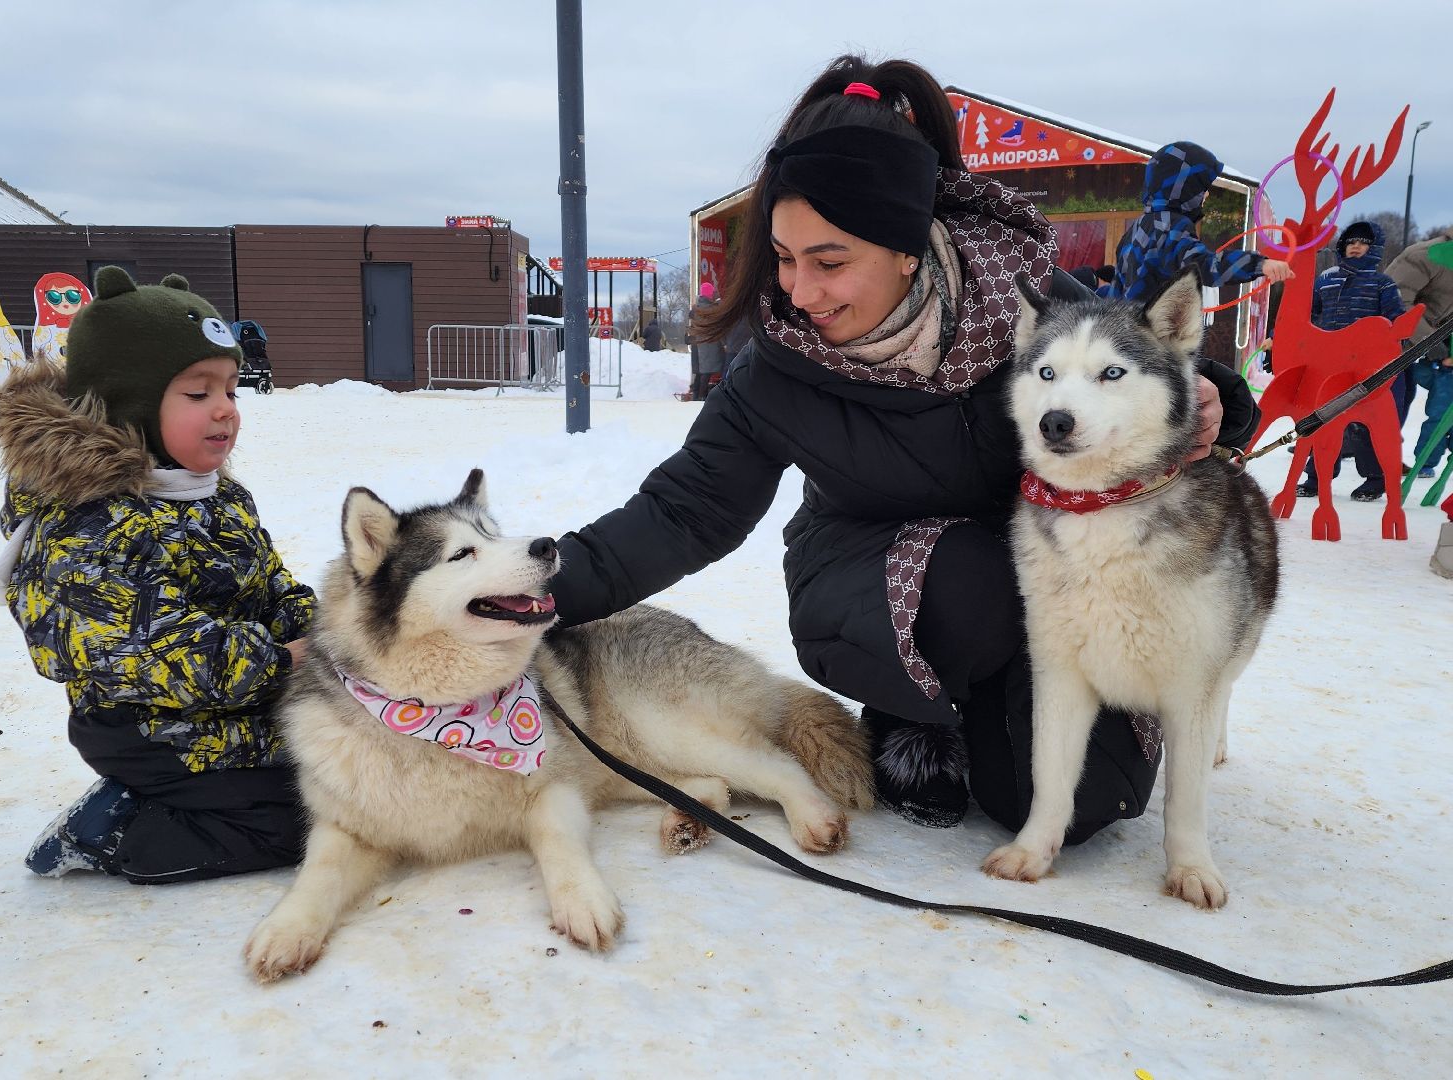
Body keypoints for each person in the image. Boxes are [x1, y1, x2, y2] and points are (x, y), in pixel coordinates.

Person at [548, 55, 1258, 839]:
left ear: (909, 247)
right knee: (967, 576)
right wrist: (526, 597)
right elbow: (683, 512)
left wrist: (1218, 398)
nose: (800, 293)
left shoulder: (1023, 301)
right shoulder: (776, 371)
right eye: (784, 259)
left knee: (1083, 804)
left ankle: (1000, 713)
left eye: (829, 261)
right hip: (872, 575)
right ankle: (908, 710)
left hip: (1047, 586)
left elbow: (1132, 356)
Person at [0, 266, 315, 883]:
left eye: (232, 391)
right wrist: (283, 662)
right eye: (198, 394)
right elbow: (156, 646)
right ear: (131, 400)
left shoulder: (214, 496)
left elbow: (271, 582)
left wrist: (325, 632)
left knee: (358, 775)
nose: (226, 412)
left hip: (239, 702)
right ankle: (118, 828)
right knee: (308, 819)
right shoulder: (91, 522)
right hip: (147, 728)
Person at [1294, 221, 1408, 501]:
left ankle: (1375, 477)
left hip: (1366, 366)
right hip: (1327, 363)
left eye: (1363, 242)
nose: (1355, 247)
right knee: (1321, 419)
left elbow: (1397, 324)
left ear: (1374, 248)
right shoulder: (1326, 279)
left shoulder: (1383, 284)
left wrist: (1388, 351)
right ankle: (1316, 476)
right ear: (1342, 246)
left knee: (1362, 424)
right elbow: (1307, 316)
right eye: (1350, 242)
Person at [1102, 141, 1293, 303]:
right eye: (1202, 187)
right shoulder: (1169, 226)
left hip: (1126, 333)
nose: (1207, 194)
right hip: (1153, 338)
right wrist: (1259, 265)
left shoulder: (1136, 229)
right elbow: (1203, 266)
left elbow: (1116, 290)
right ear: (1184, 188)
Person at [1387, 226, 1453, 479]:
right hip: (1391, 343)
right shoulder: (1425, 255)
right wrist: (1434, 345)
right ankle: (1371, 456)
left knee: (1407, 397)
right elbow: (1397, 302)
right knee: (1390, 398)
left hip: (1419, 349)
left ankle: (1383, 454)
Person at [687, 282, 728, 400]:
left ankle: (697, 395)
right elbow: (717, 325)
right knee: (706, 371)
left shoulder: (697, 308)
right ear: (709, 294)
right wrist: (723, 343)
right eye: (713, 292)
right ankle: (702, 396)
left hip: (698, 343)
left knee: (701, 371)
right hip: (709, 344)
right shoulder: (710, 309)